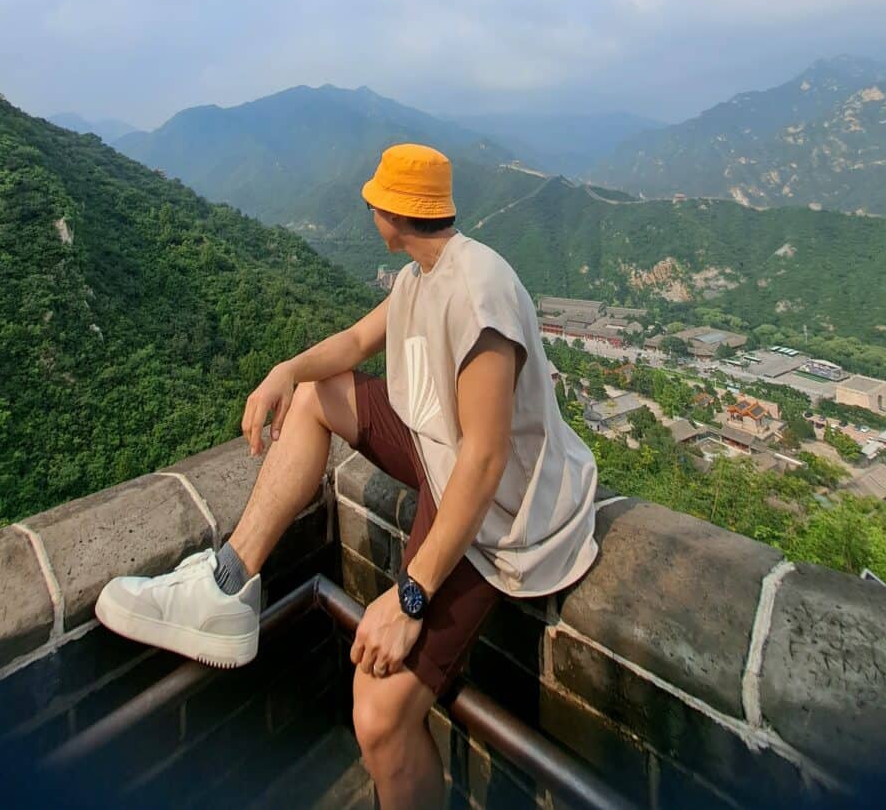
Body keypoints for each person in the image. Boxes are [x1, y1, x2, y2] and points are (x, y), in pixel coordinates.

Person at [95, 143, 598, 810]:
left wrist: (411, 596)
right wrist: (285, 371)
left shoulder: (480, 293)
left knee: (379, 713)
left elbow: (485, 461)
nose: (366, 207)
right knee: (313, 395)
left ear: (395, 213)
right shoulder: (421, 277)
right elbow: (355, 345)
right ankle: (228, 580)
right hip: (442, 455)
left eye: (374, 199)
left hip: (500, 517)